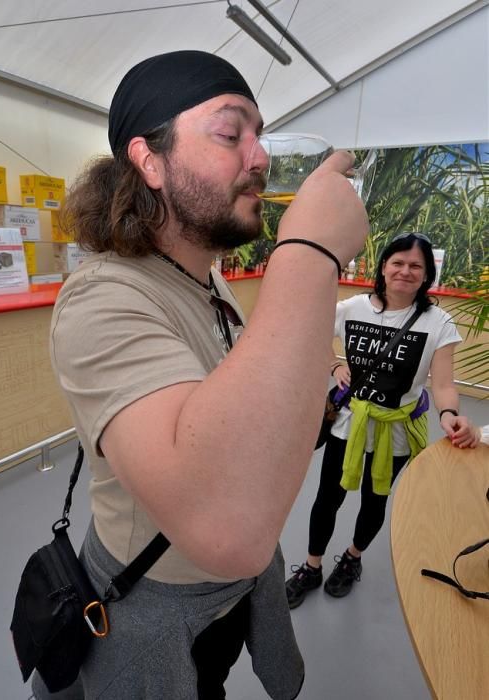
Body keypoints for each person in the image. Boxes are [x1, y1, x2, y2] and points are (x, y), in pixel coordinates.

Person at [31, 51, 369, 699]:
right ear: (149, 160)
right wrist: (310, 253)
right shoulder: (101, 299)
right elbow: (229, 530)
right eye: (230, 131)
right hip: (145, 611)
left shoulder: (203, 278)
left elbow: (248, 413)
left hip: (218, 609)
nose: (260, 155)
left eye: (260, 133)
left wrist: (321, 387)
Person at [286, 232, 479, 609]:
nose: (405, 271)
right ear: (384, 267)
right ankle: (311, 567)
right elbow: (309, 331)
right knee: (328, 498)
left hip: (395, 433)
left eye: (415, 266)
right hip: (348, 423)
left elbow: (441, 384)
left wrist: (451, 414)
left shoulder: (437, 322)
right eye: (398, 263)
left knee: (374, 503)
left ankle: (353, 558)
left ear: (427, 275)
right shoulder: (354, 308)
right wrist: (334, 362)